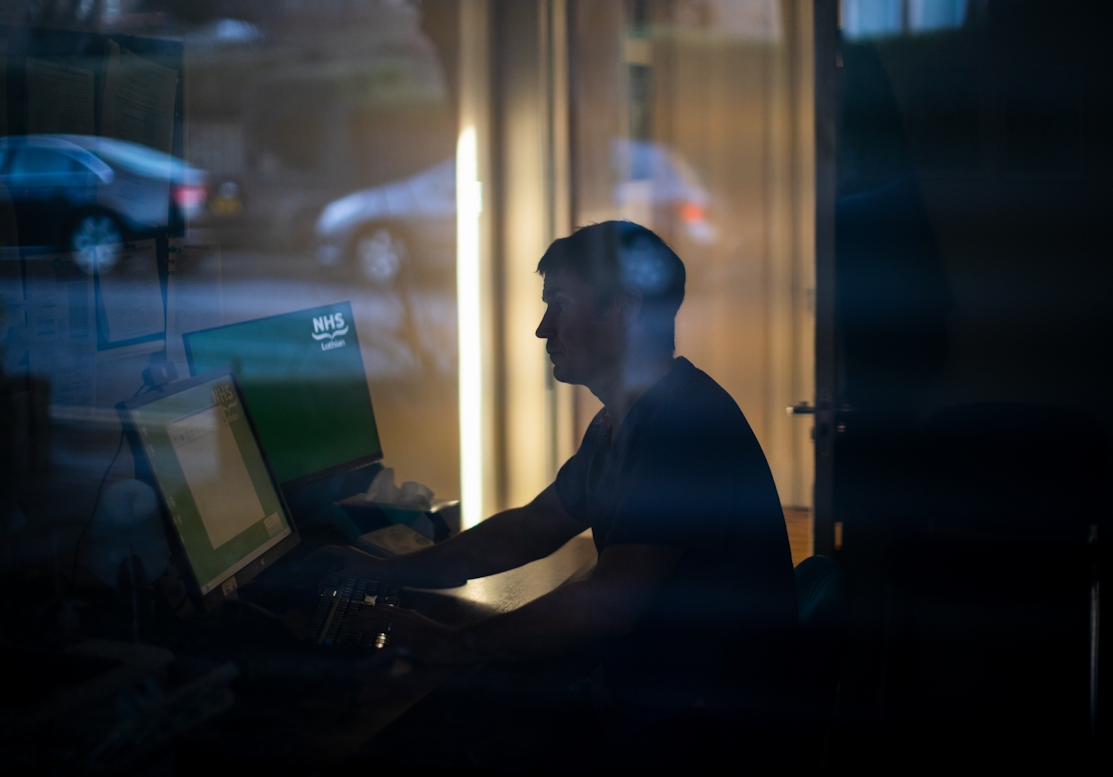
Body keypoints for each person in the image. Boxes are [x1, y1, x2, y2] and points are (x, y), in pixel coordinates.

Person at [323, 221, 796, 754]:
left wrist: (447, 644)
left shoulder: (682, 425)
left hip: (694, 736)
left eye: (561, 303)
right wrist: (385, 572)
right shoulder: (625, 420)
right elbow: (530, 527)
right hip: (649, 699)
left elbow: (608, 603)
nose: (543, 329)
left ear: (625, 308)